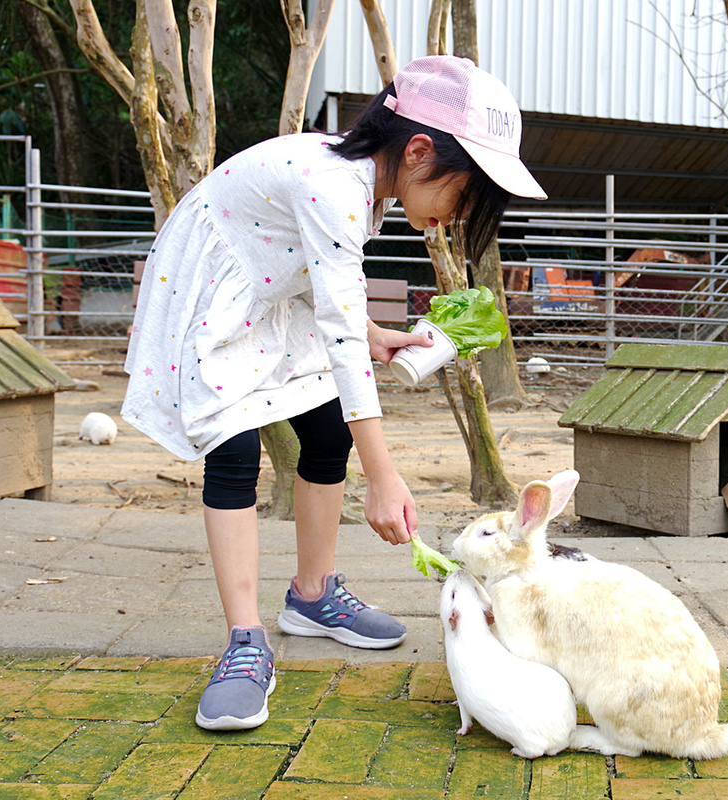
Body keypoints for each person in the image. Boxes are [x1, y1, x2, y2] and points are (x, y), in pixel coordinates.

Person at [121, 55, 547, 731]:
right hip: (218, 293)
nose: (452, 218)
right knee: (233, 454)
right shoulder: (334, 184)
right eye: (462, 198)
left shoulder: (369, 187)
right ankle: (244, 642)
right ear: (417, 151)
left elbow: (333, 299)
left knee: (325, 433)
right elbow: (336, 329)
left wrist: (376, 333)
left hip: (273, 298)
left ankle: (312, 596)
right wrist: (384, 476)